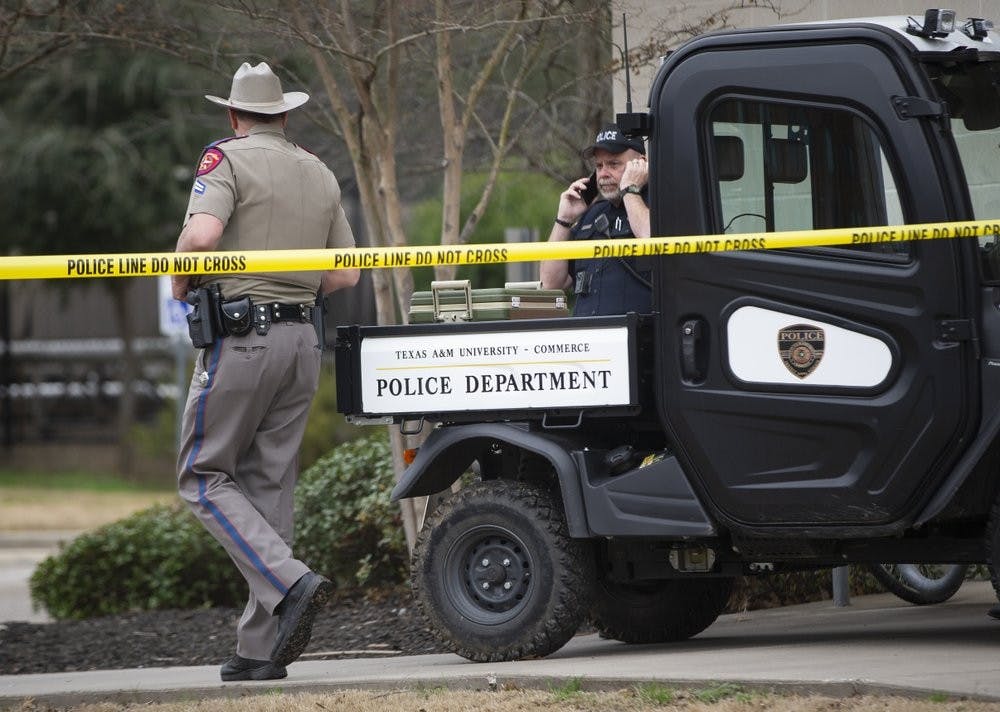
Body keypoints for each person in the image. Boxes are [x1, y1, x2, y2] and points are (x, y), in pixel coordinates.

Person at [172, 62, 360, 682]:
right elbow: (346, 275)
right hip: (302, 339)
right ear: (284, 114)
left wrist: (180, 280)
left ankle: (292, 582)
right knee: (269, 486)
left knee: (203, 474)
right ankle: (259, 649)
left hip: (242, 337)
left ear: (233, 115)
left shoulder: (224, 159)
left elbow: (200, 239)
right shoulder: (320, 169)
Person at [540, 123, 651, 316]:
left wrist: (630, 190)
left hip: (637, 338)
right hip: (589, 338)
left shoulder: (657, 206)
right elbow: (550, 285)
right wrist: (564, 220)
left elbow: (651, 239)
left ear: (641, 163)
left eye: (613, 164)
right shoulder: (592, 214)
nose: (603, 174)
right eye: (599, 166)